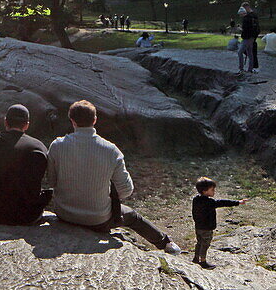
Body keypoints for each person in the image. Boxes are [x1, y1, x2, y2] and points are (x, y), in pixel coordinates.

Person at [46, 100, 181, 252]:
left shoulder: (57, 146)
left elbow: (52, 181)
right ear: (95, 120)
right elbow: (126, 190)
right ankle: (166, 244)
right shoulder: (111, 150)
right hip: (98, 220)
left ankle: (167, 243)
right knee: (132, 216)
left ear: (72, 120)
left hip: (64, 215)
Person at [191, 177, 245, 268]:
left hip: (198, 227)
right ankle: (203, 261)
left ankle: (196, 259)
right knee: (205, 244)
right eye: (212, 189)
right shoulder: (210, 202)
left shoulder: (196, 200)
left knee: (199, 242)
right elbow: (222, 202)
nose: (214, 191)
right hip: (207, 228)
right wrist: (238, 202)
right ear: (205, 191)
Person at [237, 3, 259, 73]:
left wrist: (240, 29)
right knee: (250, 53)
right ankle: (251, 68)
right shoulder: (253, 16)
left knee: (240, 52)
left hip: (247, 38)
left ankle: (241, 68)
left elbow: (246, 29)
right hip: (252, 37)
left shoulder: (247, 18)